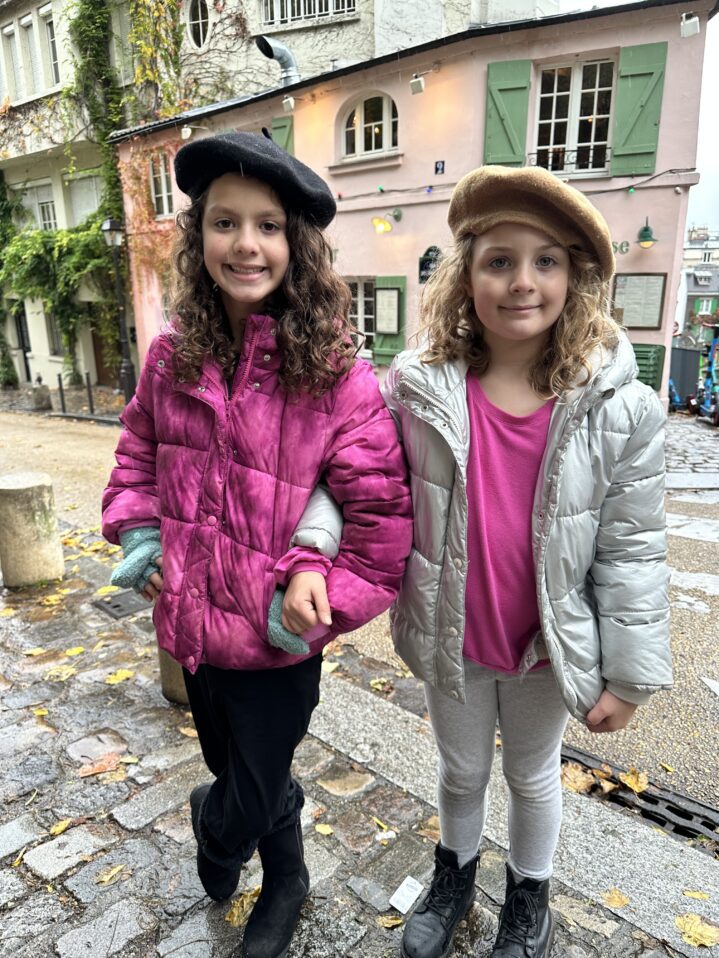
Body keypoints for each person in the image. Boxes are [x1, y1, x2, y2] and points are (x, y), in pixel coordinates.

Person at [101, 131, 412, 958]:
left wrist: (312, 604)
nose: (246, 244)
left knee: (249, 786)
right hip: (192, 631)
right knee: (242, 768)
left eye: (268, 226)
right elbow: (134, 459)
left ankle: (235, 843)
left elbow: (379, 524)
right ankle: (285, 864)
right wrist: (139, 534)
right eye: (226, 223)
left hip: (276, 642)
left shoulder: (335, 372)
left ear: (296, 244)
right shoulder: (171, 357)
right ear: (199, 237)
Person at [381, 166, 672, 958]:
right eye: (498, 260)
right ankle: (454, 873)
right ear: (465, 276)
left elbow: (633, 548)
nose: (521, 281)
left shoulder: (619, 406)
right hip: (453, 634)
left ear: (573, 280)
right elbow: (362, 487)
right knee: (461, 770)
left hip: (547, 644)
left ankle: (528, 893)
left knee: (533, 774)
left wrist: (630, 675)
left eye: (545, 261)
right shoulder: (416, 388)